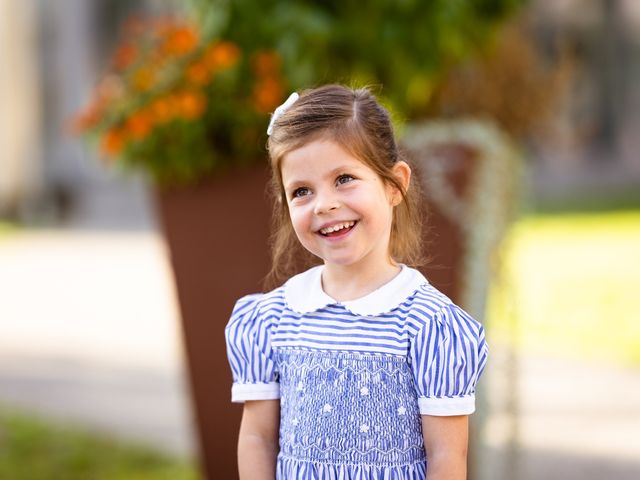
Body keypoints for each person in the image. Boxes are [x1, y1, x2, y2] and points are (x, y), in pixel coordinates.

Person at [225, 84, 488, 479]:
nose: (325, 204)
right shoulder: (272, 319)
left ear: (394, 184)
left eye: (344, 178)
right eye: (301, 191)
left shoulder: (428, 326)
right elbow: (257, 440)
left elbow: (447, 457)